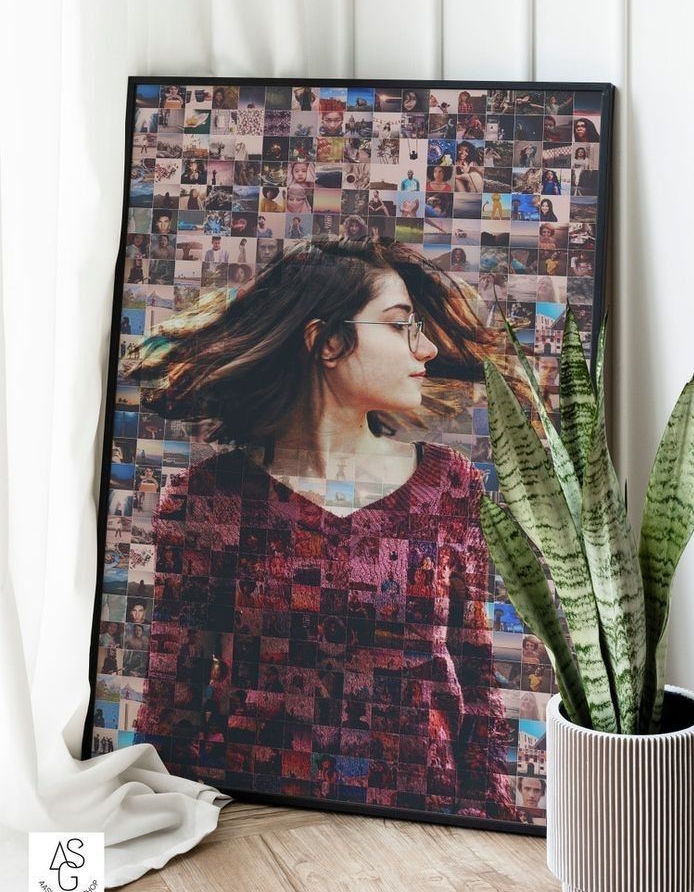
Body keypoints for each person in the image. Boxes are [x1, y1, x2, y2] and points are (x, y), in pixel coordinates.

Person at [125, 238, 520, 819]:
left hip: (421, 820)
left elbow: (476, 681)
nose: (428, 347)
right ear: (327, 341)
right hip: (255, 822)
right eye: (401, 326)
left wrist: (494, 821)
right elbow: (171, 699)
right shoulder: (208, 500)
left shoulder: (449, 487)